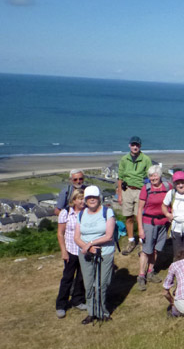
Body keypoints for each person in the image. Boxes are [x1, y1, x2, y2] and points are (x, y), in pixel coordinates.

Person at [74, 185, 116, 324]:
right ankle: (92, 313)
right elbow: (76, 237)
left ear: (99, 198)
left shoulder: (107, 212)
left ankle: (103, 312)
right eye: (89, 197)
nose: (92, 200)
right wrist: (88, 248)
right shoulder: (81, 214)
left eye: (94, 197)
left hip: (105, 253)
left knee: (102, 284)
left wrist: (89, 243)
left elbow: (109, 236)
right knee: (89, 284)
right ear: (85, 200)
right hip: (87, 254)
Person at [136, 165, 171, 291]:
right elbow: (139, 209)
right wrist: (140, 228)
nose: (153, 178)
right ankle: (141, 275)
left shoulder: (168, 187)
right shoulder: (146, 189)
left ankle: (151, 271)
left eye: (155, 175)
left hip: (163, 222)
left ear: (160, 175)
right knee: (146, 250)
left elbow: (172, 203)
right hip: (149, 222)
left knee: (156, 249)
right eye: (150, 176)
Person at [118, 136, 152, 255]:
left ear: (140, 146)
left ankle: (142, 242)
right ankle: (131, 240)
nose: (135, 147)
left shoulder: (146, 159)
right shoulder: (124, 159)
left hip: (140, 190)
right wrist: (120, 195)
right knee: (128, 216)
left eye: (137, 145)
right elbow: (120, 177)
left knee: (140, 216)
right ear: (129, 145)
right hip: (127, 190)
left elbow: (151, 176)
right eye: (133, 145)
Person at [55, 189, 87, 318]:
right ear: (73, 200)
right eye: (79, 198)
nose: (82, 201)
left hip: (83, 250)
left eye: (84, 198)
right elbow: (60, 233)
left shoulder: (87, 213)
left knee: (81, 277)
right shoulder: (65, 213)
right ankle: (61, 304)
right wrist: (64, 251)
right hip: (71, 251)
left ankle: (77, 300)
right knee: (67, 278)